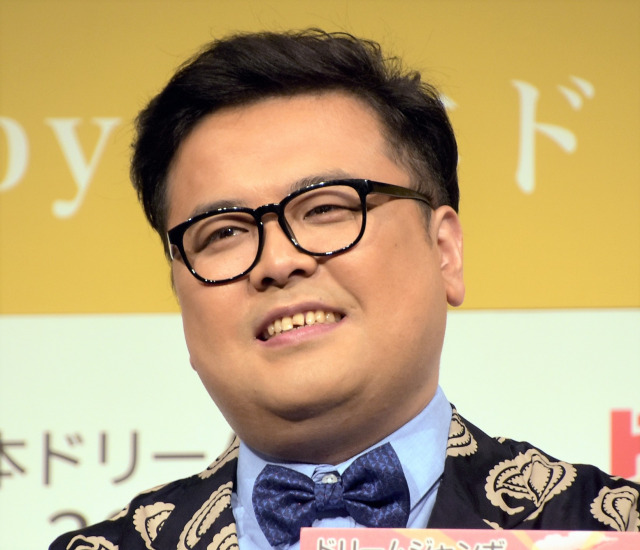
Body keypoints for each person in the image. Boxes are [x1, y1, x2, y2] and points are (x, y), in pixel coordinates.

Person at [50, 29, 639, 550]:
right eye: (224, 232)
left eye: (326, 209)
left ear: (444, 251)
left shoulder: (612, 526)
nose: (278, 262)